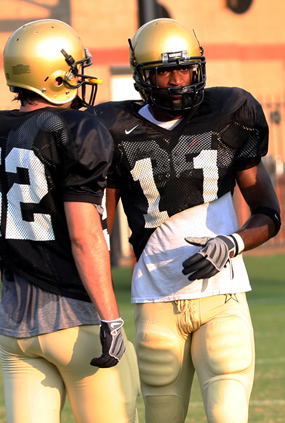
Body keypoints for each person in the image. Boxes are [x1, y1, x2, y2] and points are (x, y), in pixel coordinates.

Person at [86, 18, 281, 423]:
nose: (178, 81)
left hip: (222, 298)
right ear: (143, 76)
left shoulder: (230, 114)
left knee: (228, 416)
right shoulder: (112, 129)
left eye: (186, 69)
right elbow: (96, 225)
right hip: (157, 301)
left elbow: (269, 214)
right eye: (165, 71)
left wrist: (232, 243)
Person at [0, 19, 139, 423]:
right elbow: (84, 237)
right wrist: (111, 319)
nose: (80, 77)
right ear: (54, 74)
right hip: (76, 321)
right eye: (74, 69)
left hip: (15, 324)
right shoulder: (75, 129)